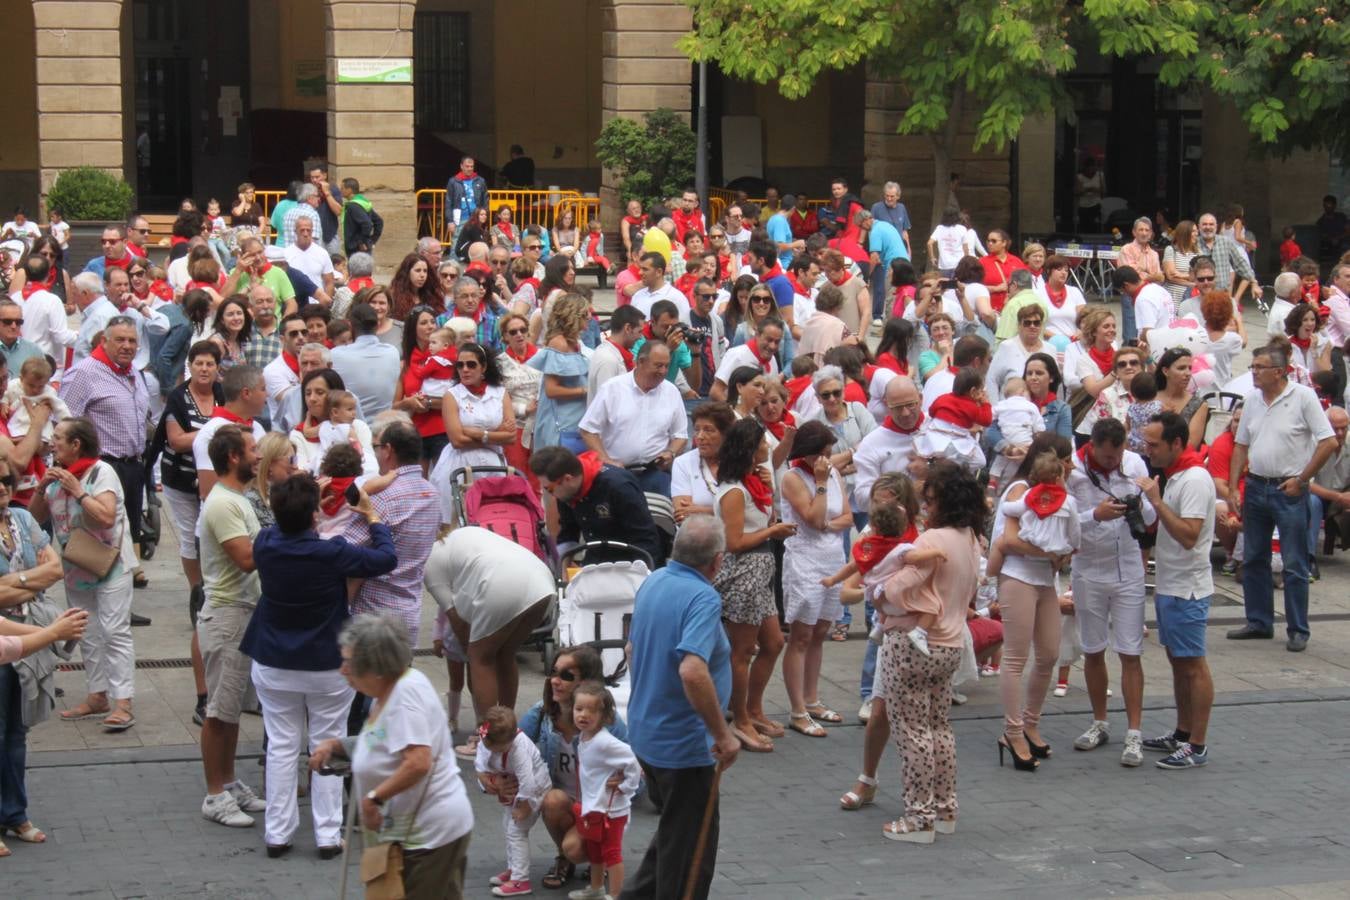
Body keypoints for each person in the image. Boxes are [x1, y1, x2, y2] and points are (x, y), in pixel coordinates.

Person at [311, 614, 474, 899]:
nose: (342, 670)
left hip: (429, 835)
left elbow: (418, 761)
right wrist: (338, 745)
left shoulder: (405, 697)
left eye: (348, 662)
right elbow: (384, 741)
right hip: (413, 833)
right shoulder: (391, 688)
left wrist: (374, 798)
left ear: (374, 666)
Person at [863, 460, 982, 841]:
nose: (926, 507)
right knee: (938, 727)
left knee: (912, 731)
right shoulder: (971, 539)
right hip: (950, 642)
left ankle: (918, 818)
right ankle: (945, 808)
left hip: (914, 642)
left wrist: (878, 591)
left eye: (929, 500)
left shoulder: (931, 541)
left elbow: (897, 588)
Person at [624, 515, 737, 900]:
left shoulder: (653, 581)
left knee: (676, 832)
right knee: (690, 854)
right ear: (717, 561)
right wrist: (722, 733)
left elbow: (631, 648)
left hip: (646, 732)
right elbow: (692, 670)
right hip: (684, 745)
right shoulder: (703, 597)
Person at [1226, 345, 1337, 652]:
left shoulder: (1302, 397)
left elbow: (1327, 442)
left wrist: (1302, 479)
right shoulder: (1252, 400)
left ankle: (1298, 628)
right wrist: (1235, 485)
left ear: (1279, 371)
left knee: (1294, 562)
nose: (1253, 371)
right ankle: (1259, 621)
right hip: (1257, 484)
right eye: (1252, 366)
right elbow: (1240, 445)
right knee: (1254, 557)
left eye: (1259, 367)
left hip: (1289, 489)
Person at [30, 418, 138, 731]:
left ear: (76, 445)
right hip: (76, 565)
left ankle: (123, 702)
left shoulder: (101, 472)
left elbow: (105, 517)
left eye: (59, 438)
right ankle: (97, 695)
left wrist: (77, 491)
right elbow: (37, 517)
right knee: (86, 631)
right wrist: (42, 485)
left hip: (110, 565)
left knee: (114, 631)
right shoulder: (56, 478)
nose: (52, 442)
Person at [0, 455, 82, 858]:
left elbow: (56, 567)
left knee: (17, 732)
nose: (1, 486)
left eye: (5, 477)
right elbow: (43, 573)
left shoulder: (22, 520)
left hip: (27, 635)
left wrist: (14, 583)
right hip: (11, 635)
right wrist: (31, 581)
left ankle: (15, 813)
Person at [1067, 417, 1155, 765]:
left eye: (1117, 457)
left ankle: (1134, 733)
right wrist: (1096, 514)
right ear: (1092, 447)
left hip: (1129, 568)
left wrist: (1142, 499)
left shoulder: (1134, 464)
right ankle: (1099, 721)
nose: (1112, 463)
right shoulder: (1072, 470)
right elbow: (1065, 520)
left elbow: (1148, 520)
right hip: (1087, 569)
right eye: (1106, 459)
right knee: (1092, 648)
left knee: (1131, 651)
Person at [423, 526, 555, 755]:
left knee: (480, 658)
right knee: (505, 654)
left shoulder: (429, 563)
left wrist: (470, 654)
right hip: (543, 582)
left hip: (501, 583)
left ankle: (486, 737)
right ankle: (507, 731)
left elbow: (456, 619)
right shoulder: (462, 535)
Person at [1135, 412, 1218, 769]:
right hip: (1172, 584)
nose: (1147, 450)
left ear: (1177, 444)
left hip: (1188, 588)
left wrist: (1156, 501)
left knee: (1193, 665)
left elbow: (1189, 535)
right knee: (1178, 662)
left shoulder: (1195, 478)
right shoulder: (1175, 475)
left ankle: (1196, 745)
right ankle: (1183, 733)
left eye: (1154, 444)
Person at [992, 433, 1073, 771]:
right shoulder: (1021, 491)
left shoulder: (1058, 495)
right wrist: (1049, 552)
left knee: (1050, 654)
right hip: (1018, 577)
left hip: (1043, 580)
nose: (1069, 467)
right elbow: (1008, 540)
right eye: (1065, 461)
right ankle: (1013, 731)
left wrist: (1060, 554)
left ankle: (1030, 722)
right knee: (1015, 658)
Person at [712, 418, 790, 753]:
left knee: (773, 643)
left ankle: (753, 709)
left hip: (761, 571)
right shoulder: (733, 491)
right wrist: (773, 532)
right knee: (741, 651)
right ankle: (740, 718)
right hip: (743, 573)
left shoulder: (752, 483)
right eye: (762, 442)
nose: (767, 446)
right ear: (749, 448)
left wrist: (770, 515)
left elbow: (763, 520)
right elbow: (734, 541)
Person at [778, 421, 851, 737]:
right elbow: (812, 517)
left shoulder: (834, 473)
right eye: (821, 453)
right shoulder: (793, 478)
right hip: (804, 560)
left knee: (821, 631)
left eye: (828, 452)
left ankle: (812, 699)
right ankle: (797, 709)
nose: (826, 458)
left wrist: (829, 526)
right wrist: (820, 484)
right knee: (801, 635)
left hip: (832, 558)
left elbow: (846, 517)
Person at [341, 420, 441, 644]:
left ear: (388, 450)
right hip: (408, 616)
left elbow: (344, 552)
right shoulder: (433, 495)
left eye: (376, 447)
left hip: (372, 620)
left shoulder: (383, 497)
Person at [579, 341, 687, 496]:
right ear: (641, 362)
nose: (663, 371)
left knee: (657, 519)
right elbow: (588, 430)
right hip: (617, 474)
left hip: (655, 474)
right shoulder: (612, 388)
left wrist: (671, 452)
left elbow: (680, 435)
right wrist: (606, 460)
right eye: (658, 365)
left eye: (666, 366)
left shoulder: (671, 392)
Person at [530, 445, 665, 565]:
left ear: (567, 479)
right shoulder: (566, 491)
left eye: (549, 489)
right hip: (596, 559)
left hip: (632, 560)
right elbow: (568, 532)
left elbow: (645, 539)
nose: (551, 495)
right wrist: (562, 565)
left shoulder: (618, 487)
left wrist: (641, 576)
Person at [430, 342, 515, 522]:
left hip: (493, 464)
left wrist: (478, 434)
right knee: (457, 519)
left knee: (494, 516)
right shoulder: (452, 395)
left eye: (471, 364)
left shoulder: (500, 393)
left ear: (483, 367)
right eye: (460, 365)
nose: (465, 369)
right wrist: (496, 434)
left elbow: (511, 436)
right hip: (460, 463)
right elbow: (457, 440)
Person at [473, 705, 552, 897]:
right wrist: (487, 782)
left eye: (496, 749)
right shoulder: (487, 739)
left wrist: (525, 807)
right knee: (507, 826)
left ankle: (520, 880)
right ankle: (513, 868)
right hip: (518, 789)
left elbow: (529, 782)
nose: (490, 750)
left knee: (517, 830)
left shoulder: (518, 749)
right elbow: (480, 766)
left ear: (509, 742)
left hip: (536, 788)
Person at [530, 294, 590, 452]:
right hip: (560, 426)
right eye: (585, 313)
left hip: (575, 423)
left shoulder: (575, 343)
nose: (589, 317)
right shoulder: (559, 343)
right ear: (574, 316)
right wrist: (584, 390)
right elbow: (551, 389)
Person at [330, 303, 400, 418]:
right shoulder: (392, 352)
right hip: (383, 427)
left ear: (351, 326)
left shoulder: (335, 355)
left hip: (352, 429)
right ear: (377, 325)